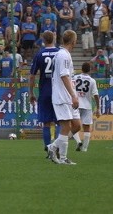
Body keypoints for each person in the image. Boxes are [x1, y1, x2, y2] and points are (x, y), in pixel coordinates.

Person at [46, 30, 80, 165]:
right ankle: (63, 158)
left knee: (77, 125)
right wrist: (73, 95)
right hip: (62, 96)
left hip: (65, 95)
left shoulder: (63, 54)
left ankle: (52, 147)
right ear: (73, 41)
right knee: (65, 127)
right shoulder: (64, 55)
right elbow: (64, 76)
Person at [28, 31, 60, 154]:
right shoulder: (60, 53)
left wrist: (31, 92)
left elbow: (32, 76)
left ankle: (48, 149)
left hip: (45, 91)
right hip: (58, 92)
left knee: (46, 122)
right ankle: (57, 147)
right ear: (54, 38)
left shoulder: (39, 54)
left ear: (43, 40)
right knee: (60, 121)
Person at [73, 62, 100, 152]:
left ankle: (78, 141)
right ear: (90, 70)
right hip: (87, 105)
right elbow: (96, 95)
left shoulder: (75, 78)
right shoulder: (92, 80)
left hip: (76, 104)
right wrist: (98, 108)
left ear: (81, 69)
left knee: (73, 125)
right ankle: (84, 148)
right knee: (87, 127)